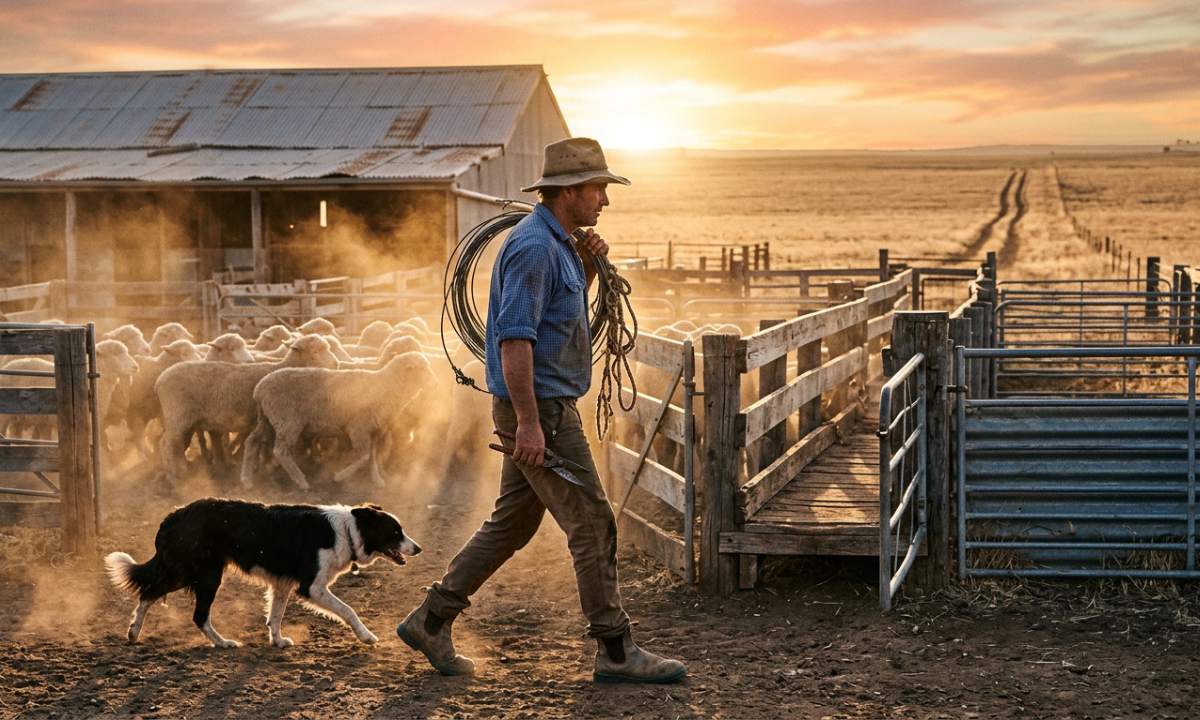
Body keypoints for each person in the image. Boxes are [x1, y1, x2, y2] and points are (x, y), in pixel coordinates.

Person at [396, 137, 686, 684]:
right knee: (593, 524)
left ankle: (432, 619)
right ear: (569, 192)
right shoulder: (533, 247)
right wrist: (529, 422)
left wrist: (589, 264)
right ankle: (617, 650)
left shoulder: (560, 246)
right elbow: (513, 341)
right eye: (598, 189)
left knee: (511, 524)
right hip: (544, 412)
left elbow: (561, 314)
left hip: (544, 408)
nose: (605, 200)